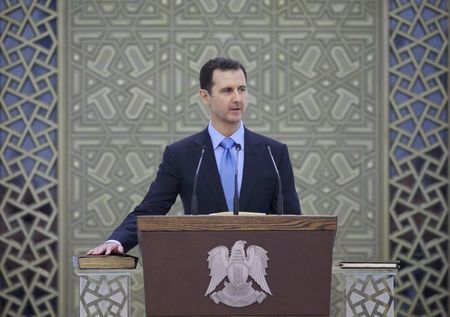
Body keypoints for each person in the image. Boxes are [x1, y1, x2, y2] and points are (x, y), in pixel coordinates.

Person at [87, 57, 301, 255]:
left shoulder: (273, 153)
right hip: (202, 268)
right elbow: (151, 208)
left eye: (242, 89)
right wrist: (116, 241)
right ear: (205, 96)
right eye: (227, 90)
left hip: (263, 270)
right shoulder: (182, 154)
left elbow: (293, 221)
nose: (237, 98)